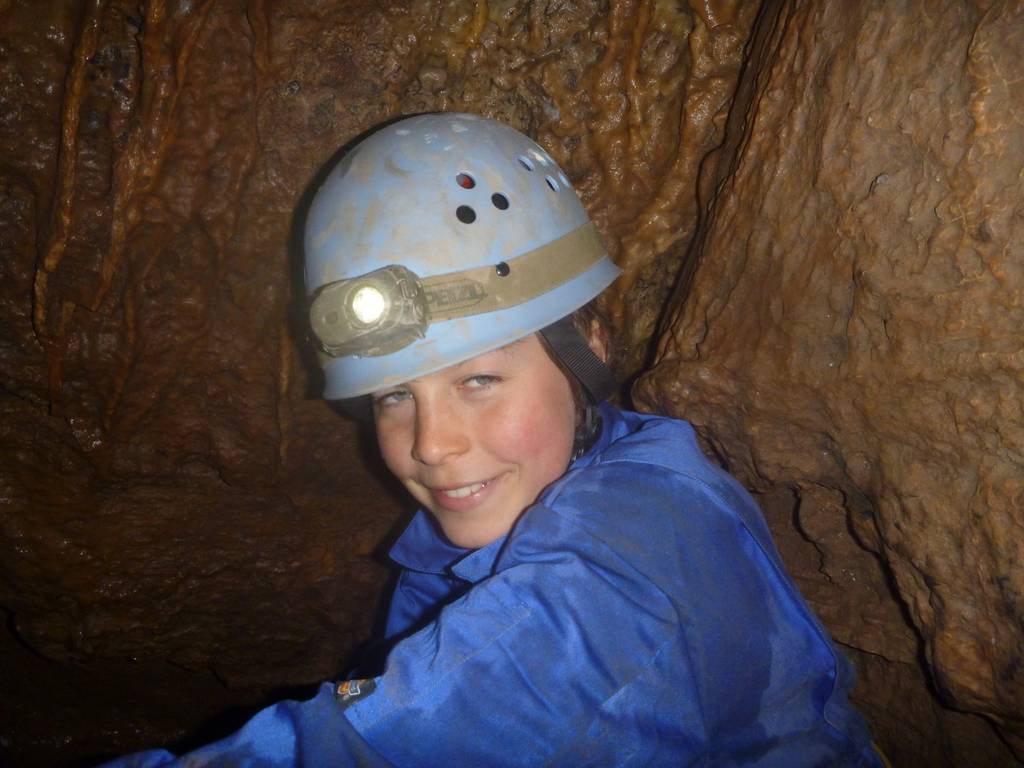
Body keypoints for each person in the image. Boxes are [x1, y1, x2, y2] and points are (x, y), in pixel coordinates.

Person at [105, 113, 882, 766]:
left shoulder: (631, 558)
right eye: (393, 396)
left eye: (478, 380)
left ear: (590, 348)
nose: (432, 444)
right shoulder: (540, 487)